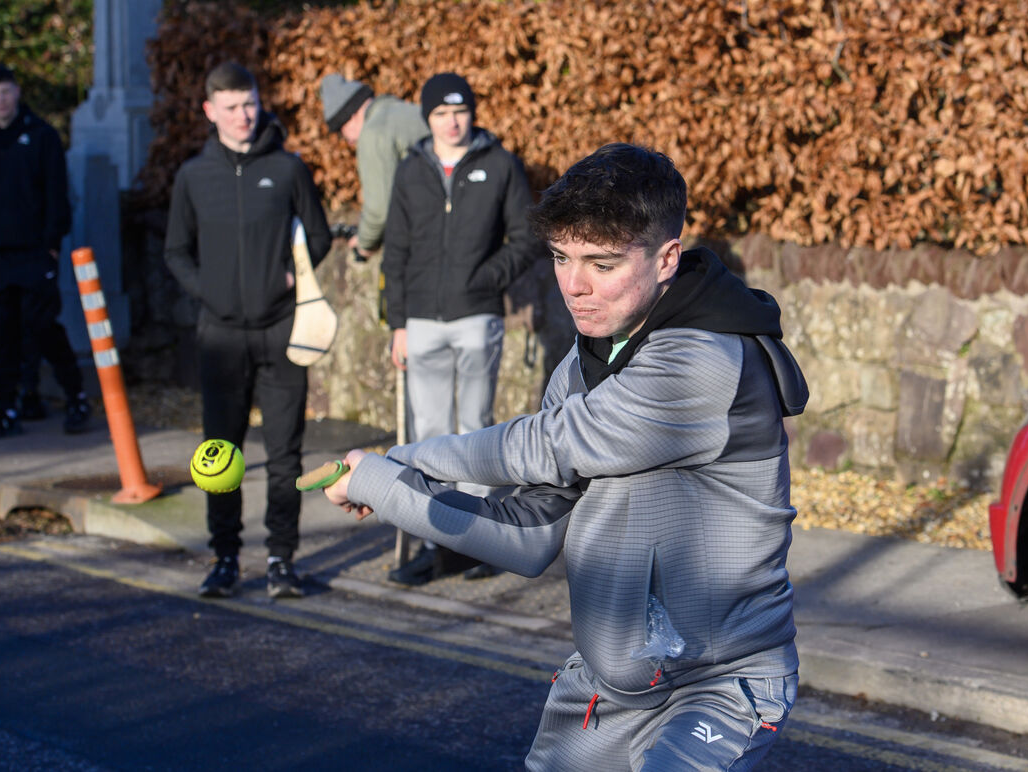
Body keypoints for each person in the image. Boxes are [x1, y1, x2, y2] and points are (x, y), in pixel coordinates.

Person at [324, 143, 808, 770]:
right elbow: (529, 534)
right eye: (561, 257)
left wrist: (400, 455)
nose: (574, 286)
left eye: (602, 264)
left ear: (666, 259)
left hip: (718, 689)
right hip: (609, 691)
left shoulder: (702, 361)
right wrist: (384, 484)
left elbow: (549, 446)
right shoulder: (582, 366)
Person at [165, 62, 333, 599]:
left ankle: (282, 559)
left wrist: (293, 273)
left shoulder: (286, 169)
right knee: (221, 454)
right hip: (220, 338)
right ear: (210, 110)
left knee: (285, 455)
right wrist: (210, 291)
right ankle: (225, 557)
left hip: (283, 330)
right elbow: (176, 252)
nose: (244, 115)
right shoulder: (193, 176)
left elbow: (321, 236)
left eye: (250, 104)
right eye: (232, 107)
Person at [376, 72, 541, 585]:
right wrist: (397, 322)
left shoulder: (500, 165)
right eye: (441, 113)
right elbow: (396, 250)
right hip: (422, 320)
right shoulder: (411, 170)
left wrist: (485, 278)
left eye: (460, 111)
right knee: (427, 435)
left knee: (475, 431)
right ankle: (433, 543)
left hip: (477, 317)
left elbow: (526, 235)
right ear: (427, 118)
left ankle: (476, 541)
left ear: (473, 113)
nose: (452, 122)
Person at [0, 64, 91, 438]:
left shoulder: (42, 135)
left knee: (43, 326)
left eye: (5, 91)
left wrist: (51, 244)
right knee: (1, 332)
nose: (0, 100)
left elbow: (56, 195)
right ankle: (7, 408)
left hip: (34, 251)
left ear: (16, 92)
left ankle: (77, 397)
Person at [319, 73, 428, 260]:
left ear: (351, 116)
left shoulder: (373, 133)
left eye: (342, 131)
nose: (349, 141)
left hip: (423, 243)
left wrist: (364, 244)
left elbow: (379, 210)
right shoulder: (411, 111)